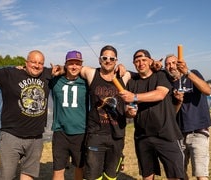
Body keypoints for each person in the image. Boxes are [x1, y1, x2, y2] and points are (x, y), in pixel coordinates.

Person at [0, 32, 59, 180]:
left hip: (36, 138)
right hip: (11, 137)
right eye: (33, 62)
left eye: (41, 63)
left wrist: (60, 68)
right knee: (7, 176)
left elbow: (69, 69)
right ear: (26, 62)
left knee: (28, 174)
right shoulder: (11, 73)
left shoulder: (47, 74)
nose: (37, 65)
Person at [118, 49, 184, 180]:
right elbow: (128, 110)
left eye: (143, 60)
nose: (140, 63)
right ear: (134, 64)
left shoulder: (161, 75)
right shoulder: (132, 82)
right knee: (147, 176)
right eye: (137, 61)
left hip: (167, 134)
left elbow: (160, 94)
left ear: (150, 61)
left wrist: (134, 97)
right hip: (143, 137)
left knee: (175, 175)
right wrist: (129, 113)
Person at [79, 45, 131, 180]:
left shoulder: (124, 76)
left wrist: (122, 66)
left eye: (112, 58)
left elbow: (144, 73)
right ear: (99, 59)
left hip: (117, 135)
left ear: (116, 60)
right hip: (96, 134)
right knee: (93, 176)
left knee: (111, 176)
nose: (108, 61)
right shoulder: (91, 74)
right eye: (105, 58)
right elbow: (73, 68)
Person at [164, 54, 211, 180]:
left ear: (179, 63)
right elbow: (171, 113)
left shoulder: (193, 74)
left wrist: (187, 72)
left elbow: (207, 90)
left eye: (173, 63)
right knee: (179, 173)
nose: (171, 66)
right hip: (179, 134)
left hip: (198, 130)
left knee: (201, 174)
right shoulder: (168, 85)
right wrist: (178, 101)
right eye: (168, 64)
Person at [49, 50, 88, 180]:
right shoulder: (55, 80)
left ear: (82, 66)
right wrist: (21, 68)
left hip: (81, 132)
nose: (74, 66)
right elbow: (35, 73)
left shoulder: (87, 82)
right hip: (61, 132)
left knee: (80, 167)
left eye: (78, 63)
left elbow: (104, 73)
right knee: (58, 169)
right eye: (71, 63)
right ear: (65, 64)